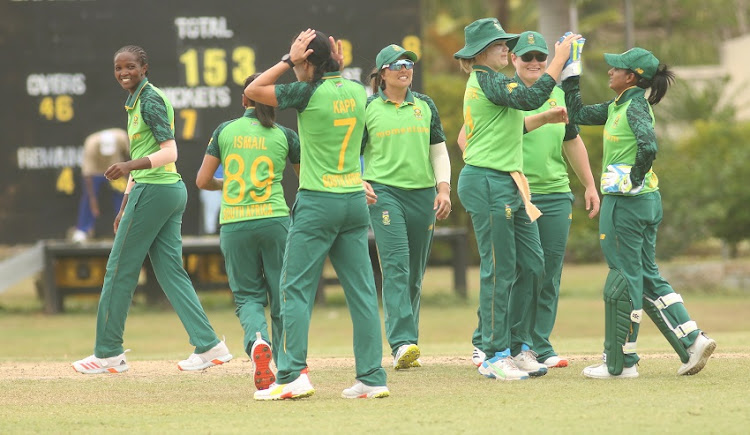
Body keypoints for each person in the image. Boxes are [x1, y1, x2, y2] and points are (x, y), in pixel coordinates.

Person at [245, 29, 388, 400]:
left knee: (294, 290)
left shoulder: (306, 92)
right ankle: (372, 378)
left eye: (300, 62)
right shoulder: (358, 90)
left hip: (318, 202)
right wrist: (328, 65)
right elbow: (339, 86)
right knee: (362, 292)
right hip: (354, 201)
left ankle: (292, 375)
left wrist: (286, 61)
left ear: (308, 62)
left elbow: (253, 91)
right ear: (336, 61)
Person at [72, 45, 232, 374]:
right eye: (118, 68)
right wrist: (125, 202)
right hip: (163, 190)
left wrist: (129, 165)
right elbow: (148, 154)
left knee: (119, 270)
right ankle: (210, 346)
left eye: (130, 66)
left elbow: (170, 151)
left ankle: (108, 353)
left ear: (144, 68)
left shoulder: (150, 99)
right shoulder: (135, 102)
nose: (123, 72)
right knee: (171, 272)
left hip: (157, 189)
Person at [561, 46, 717, 378]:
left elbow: (649, 145)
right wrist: (571, 76)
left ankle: (620, 363)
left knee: (623, 279)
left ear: (631, 77)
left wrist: (633, 177)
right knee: (645, 276)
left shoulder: (634, 107)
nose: (609, 71)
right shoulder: (618, 106)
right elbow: (575, 114)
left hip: (627, 203)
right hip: (643, 201)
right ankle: (692, 341)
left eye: (615, 68)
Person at [454, 18, 579, 381]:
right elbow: (529, 95)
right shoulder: (487, 78)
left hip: (508, 181)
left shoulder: (496, 81)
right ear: (480, 54)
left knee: (533, 263)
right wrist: (559, 59)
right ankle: (494, 353)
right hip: (487, 180)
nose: (506, 49)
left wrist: (545, 118)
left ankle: (520, 346)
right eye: (498, 46)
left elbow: (514, 123)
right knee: (500, 269)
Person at [196, 73, 300, 390]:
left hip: (235, 222)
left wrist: (226, 185)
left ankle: (257, 342)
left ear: (244, 99)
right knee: (282, 293)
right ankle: (286, 365)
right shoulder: (285, 135)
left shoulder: (224, 131)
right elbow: (305, 181)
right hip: (274, 220)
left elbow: (202, 181)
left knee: (247, 297)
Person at [511, 31, 599, 369]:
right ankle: (514, 343)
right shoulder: (507, 94)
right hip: (518, 192)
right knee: (524, 269)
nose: (534, 63)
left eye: (540, 57)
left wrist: (590, 186)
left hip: (557, 193)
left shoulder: (558, 94)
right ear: (513, 60)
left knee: (549, 272)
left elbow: (572, 140)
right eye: (526, 57)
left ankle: (541, 343)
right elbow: (469, 137)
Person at [361, 44, 451, 370]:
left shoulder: (424, 105)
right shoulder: (368, 107)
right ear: (383, 72)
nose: (405, 69)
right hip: (385, 194)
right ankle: (402, 342)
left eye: (409, 64)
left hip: (423, 195)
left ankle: (408, 342)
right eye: (398, 64)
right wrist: (358, 181)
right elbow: (346, 152)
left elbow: (438, 151)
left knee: (414, 274)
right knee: (396, 267)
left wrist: (444, 189)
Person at [71, 128, 130, 243]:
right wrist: (93, 201)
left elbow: (126, 154)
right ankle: (83, 229)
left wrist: (127, 175)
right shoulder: (91, 144)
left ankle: (124, 228)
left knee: (122, 196)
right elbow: (87, 175)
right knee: (88, 197)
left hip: (114, 167)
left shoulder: (121, 137)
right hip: (96, 170)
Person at [198, 164, 222, 235]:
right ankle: (209, 233)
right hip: (213, 188)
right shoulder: (211, 158)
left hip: (230, 187)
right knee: (211, 211)